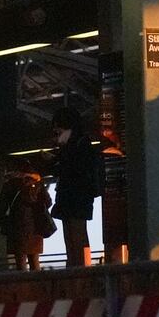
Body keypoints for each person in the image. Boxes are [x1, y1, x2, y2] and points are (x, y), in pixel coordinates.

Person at [48, 107, 100, 265]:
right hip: (77, 197)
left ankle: (79, 269)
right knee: (76, 235)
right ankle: (79, 267)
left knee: (74, 236)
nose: (56, 132)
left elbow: (72, 169)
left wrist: (53, 162)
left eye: (58, 128)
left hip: (74, 196)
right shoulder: (80, 143)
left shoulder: (77, 146)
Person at [0, 162, 54, 270]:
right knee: (34, 261)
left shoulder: (10, 185)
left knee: (20, 263)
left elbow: (1, 207)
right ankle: (37, 285)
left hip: (16, 227)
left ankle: (23, 285)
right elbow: (48, 202)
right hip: (36, 227)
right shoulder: (37, 184)